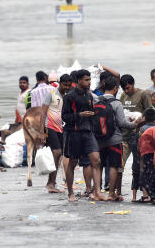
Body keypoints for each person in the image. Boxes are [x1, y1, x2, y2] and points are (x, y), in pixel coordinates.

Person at [62, 69, 105, 202]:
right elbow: (64, 117)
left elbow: (92, 112)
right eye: (86, 80)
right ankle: (70, 193)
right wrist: (80, 115)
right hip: (74, 133)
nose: (89, 82)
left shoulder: (89, 95)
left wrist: (93, 118)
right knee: (72, 163)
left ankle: (97, 192)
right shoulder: (69, 96)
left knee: (96, 160)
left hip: (88, 132)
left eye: (90, 79)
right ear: (79, 81)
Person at [98, 74, 139, 201]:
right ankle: (111, 194)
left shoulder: (96, 100)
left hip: (99, 140)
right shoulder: (116, 103)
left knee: (99, 166)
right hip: (114, 139)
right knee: (114, 166)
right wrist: (135, 124)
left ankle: (97, 192)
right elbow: (122, 123)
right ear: (115, 88)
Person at [119, 74, 153, 199]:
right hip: (124, 136)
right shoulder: (123, 96)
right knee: (120, 165)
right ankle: (117, 192)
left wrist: (140, 121)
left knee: (140, 166)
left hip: (139, 136)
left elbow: (150, 113)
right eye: (124, 89)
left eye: (128, 88)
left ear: (133, 84)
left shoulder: (143, 94)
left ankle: (145, 193)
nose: (126, 91)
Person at [43, 73, 72, 192]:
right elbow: (42, 112)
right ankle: (50, 183)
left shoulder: (67, 96)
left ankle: (52, 183)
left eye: (69, 85)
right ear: (59, 83)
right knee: (57, 152)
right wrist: (41, 131)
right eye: (65, 85)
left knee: (59, 155)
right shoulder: (51, 94)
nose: (67, 87)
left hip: (61, 128)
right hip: (50, 127)